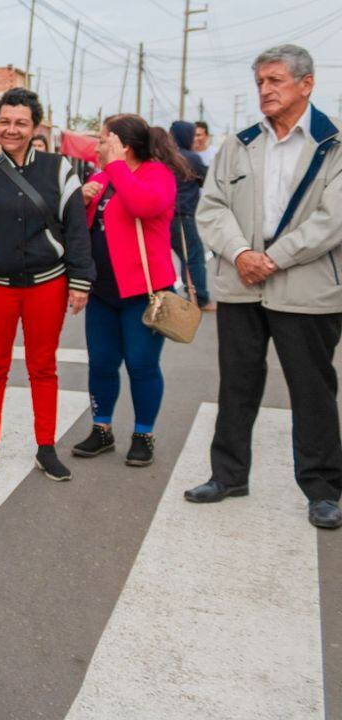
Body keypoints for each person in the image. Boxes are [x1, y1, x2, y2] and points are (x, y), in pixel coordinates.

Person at [187, 45, 342, 530]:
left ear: (306, 84)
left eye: (275, 81)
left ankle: (323, 490)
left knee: (312, 390)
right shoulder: (240, 142)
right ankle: (228, 475)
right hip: (241, 285)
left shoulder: (332, 144)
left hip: (307, 289)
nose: (265, 91)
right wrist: (241, 255)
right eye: (260, 82)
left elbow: (332, 219)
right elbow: (211, 207)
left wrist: (273, 258)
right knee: (236, 384)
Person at [0, 88, 94, 481]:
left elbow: (77, 229)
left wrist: (80, 279)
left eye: (21, 123)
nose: (11, 129)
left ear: (34, 127)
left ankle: (46, 448)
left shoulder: (58, 169)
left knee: (43, 367)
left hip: (48, 284)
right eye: (6, 121)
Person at [73, 114, 188, 468]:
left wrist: (118, 168)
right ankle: (102, 429)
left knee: (141, 365)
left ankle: (143, 434)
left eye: (104, 139)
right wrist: (81, 197)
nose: (98, 146)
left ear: (122, 144)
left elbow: (142, 205)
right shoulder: (102, 176)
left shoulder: (158, 175)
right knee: (102, 364)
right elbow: (76, 223)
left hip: (144, 291)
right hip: (103, 292)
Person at [168, 120, 212, 310]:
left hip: (166, 216)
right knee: (194, 257)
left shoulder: (164, 157)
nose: (195, 139)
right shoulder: (191, 158)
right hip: (184, 215)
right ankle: (200, 298)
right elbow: (208, 180)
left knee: (174, 257)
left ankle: (173, 295)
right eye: (192, 135)